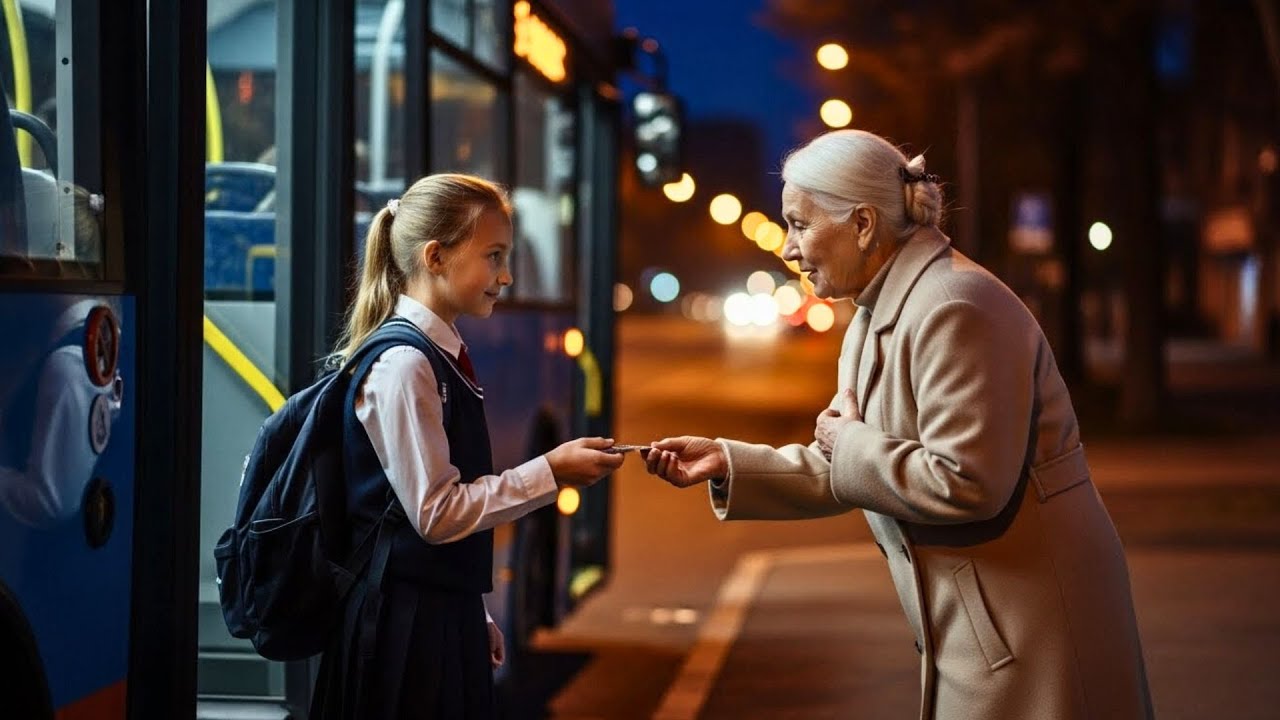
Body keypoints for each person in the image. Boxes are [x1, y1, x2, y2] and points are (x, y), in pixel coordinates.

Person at [644, 130, 1153, 719]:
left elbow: (966, 480)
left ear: (862, 224)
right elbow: (856, 462)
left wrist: (849, 443)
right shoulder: (877, 309)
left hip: (1037, 626)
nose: (787, 248)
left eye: (800, 225)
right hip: (989, 624)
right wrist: (730, 462)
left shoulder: (954, 306)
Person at [310, 173, 624, 719]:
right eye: (494, 256)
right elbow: (435, 513)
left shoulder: (433, 355)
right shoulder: (406, 365)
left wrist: (470, 612)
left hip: (428, 619)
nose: (506, 276)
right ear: (435, 257)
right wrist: (550, 471)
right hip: (401, 635)